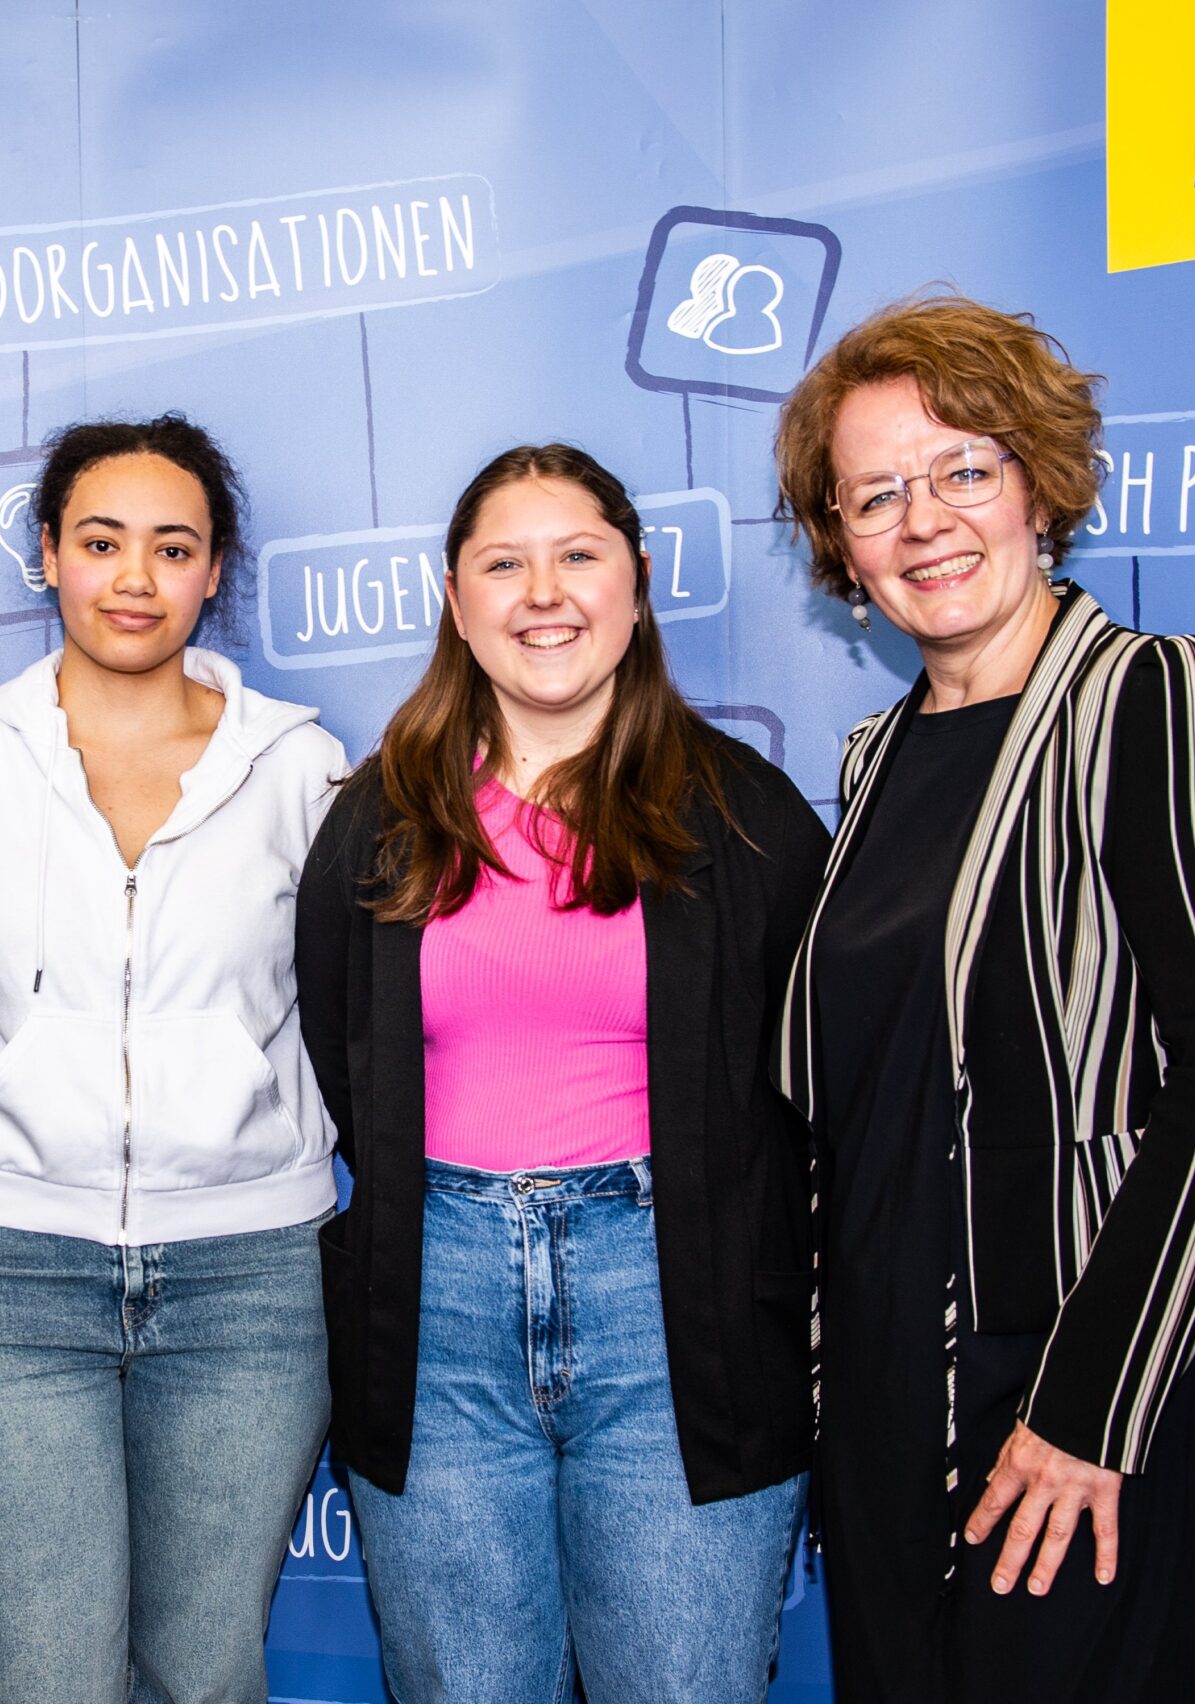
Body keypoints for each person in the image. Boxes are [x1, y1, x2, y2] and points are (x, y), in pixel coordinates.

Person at [769, 295, 1195, 1702]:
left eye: (963, 469)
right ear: (842, 549)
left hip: (1087, 1389)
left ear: (1038, 485)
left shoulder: (1153, 699)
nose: (924, 521)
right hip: (896, 1396)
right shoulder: (874, 759)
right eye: (875, 495)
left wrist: (1089, 1411)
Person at [295, 443, 830, 1702]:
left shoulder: (749, 817)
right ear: (455, 597)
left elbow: (808, 1087)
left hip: (678, 1317)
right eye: (504, 562)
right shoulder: (374, 819)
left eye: (578, 555)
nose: (545, 592)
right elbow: (342, 1059)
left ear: (636, 584)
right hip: (436, 1311)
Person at [0, 414, 346, 1704]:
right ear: (48, 557)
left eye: (172, 547)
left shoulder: (302, 773)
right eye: (100, 541)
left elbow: (335, 1020)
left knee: (204, 1678)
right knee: (39, 1683)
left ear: (212, 571)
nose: (134, 578)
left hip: (249, 1283)